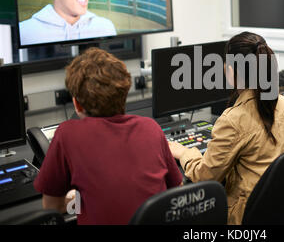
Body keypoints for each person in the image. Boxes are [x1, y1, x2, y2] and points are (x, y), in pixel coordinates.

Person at [33, 47, 182, 224]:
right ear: (124, 95)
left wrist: (84, 198)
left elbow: (52, 206)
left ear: (77, 104)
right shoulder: (150, 127)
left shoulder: (67, 134)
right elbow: (175, 189)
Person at [169, 32, 284, 225]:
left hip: (247, 218)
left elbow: (205, 177)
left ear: (231, 70)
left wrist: (184, 153)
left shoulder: (233, 120)